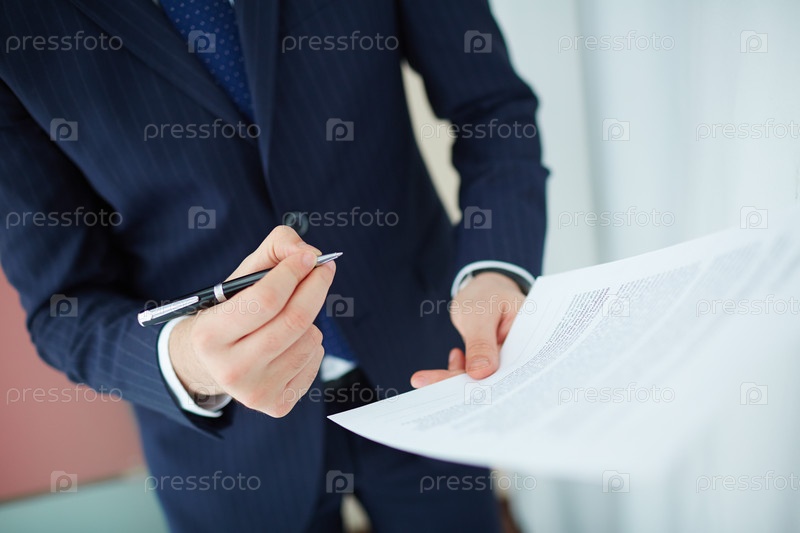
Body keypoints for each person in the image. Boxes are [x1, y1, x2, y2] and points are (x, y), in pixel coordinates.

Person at [0, 1, 547, 531]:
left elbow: (493, 110)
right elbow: (62, 306)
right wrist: (189, 360)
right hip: (226, 452)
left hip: (428, 367)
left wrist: (494, 267)